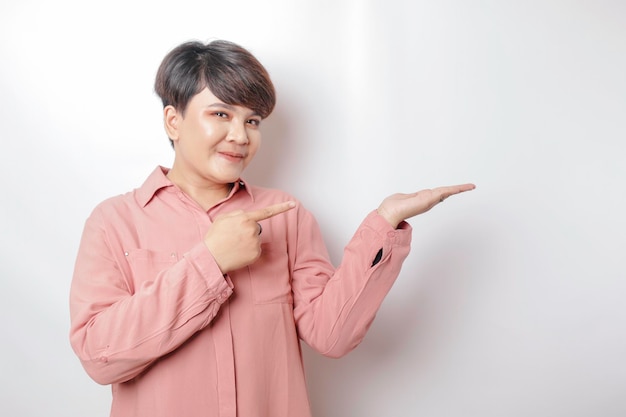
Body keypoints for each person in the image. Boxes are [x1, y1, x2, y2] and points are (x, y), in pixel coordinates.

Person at [69, 39, 475, 417]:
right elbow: (99, 356)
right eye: (221, 114)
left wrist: (384, 223)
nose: (240, 136)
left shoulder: (287, 215)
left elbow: (330, 335)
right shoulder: (114, 222)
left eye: (253, 120)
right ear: (174, 121)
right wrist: (210, 263)